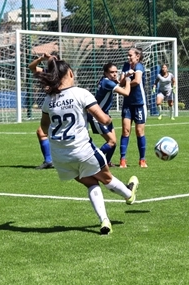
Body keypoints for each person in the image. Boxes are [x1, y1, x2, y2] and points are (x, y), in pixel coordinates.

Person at [36, 57, 139, 236]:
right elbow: (103, 118)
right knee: (107, 178)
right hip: (82, 150)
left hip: (60, 156)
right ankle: (129, 194)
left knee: (91, 182)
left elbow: (44, 127)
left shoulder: (48, 100)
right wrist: (108, 119)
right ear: (70, 73)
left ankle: (104, 220)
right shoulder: (81, 93)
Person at [90, 62, 131, 166]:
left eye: (116, 72)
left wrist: (123, 78)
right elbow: (126, 93)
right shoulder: (107, 83)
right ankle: (93, 159)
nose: (114, 74)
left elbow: (118, 84)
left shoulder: (106, 81)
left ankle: (106, 162)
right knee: (111, 142)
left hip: (104, 116)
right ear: (106, 73)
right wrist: (128, 80)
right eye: (111, 72)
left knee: (113, 142)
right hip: (97, 117)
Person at [119, 47, 148, 168]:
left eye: (130, 55)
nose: (128, 57)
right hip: (127, 104)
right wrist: (126, 74)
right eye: (128, 55)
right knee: (125, 131)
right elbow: (119, 82)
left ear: (137, 56)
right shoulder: (126, 66)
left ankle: (142, 160)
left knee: (139, 131)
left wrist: (126, 85)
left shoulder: (139, 67)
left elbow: (137, 81)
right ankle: (122, 160)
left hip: (139, 103)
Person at [28, 53, 55, 169]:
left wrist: (52, 88)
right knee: (41, 132)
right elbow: (31, 67)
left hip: (60, 102)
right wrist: (40, 59)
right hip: (50, 102)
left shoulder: (62, 72)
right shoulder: (46, 72)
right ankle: (49, 161)